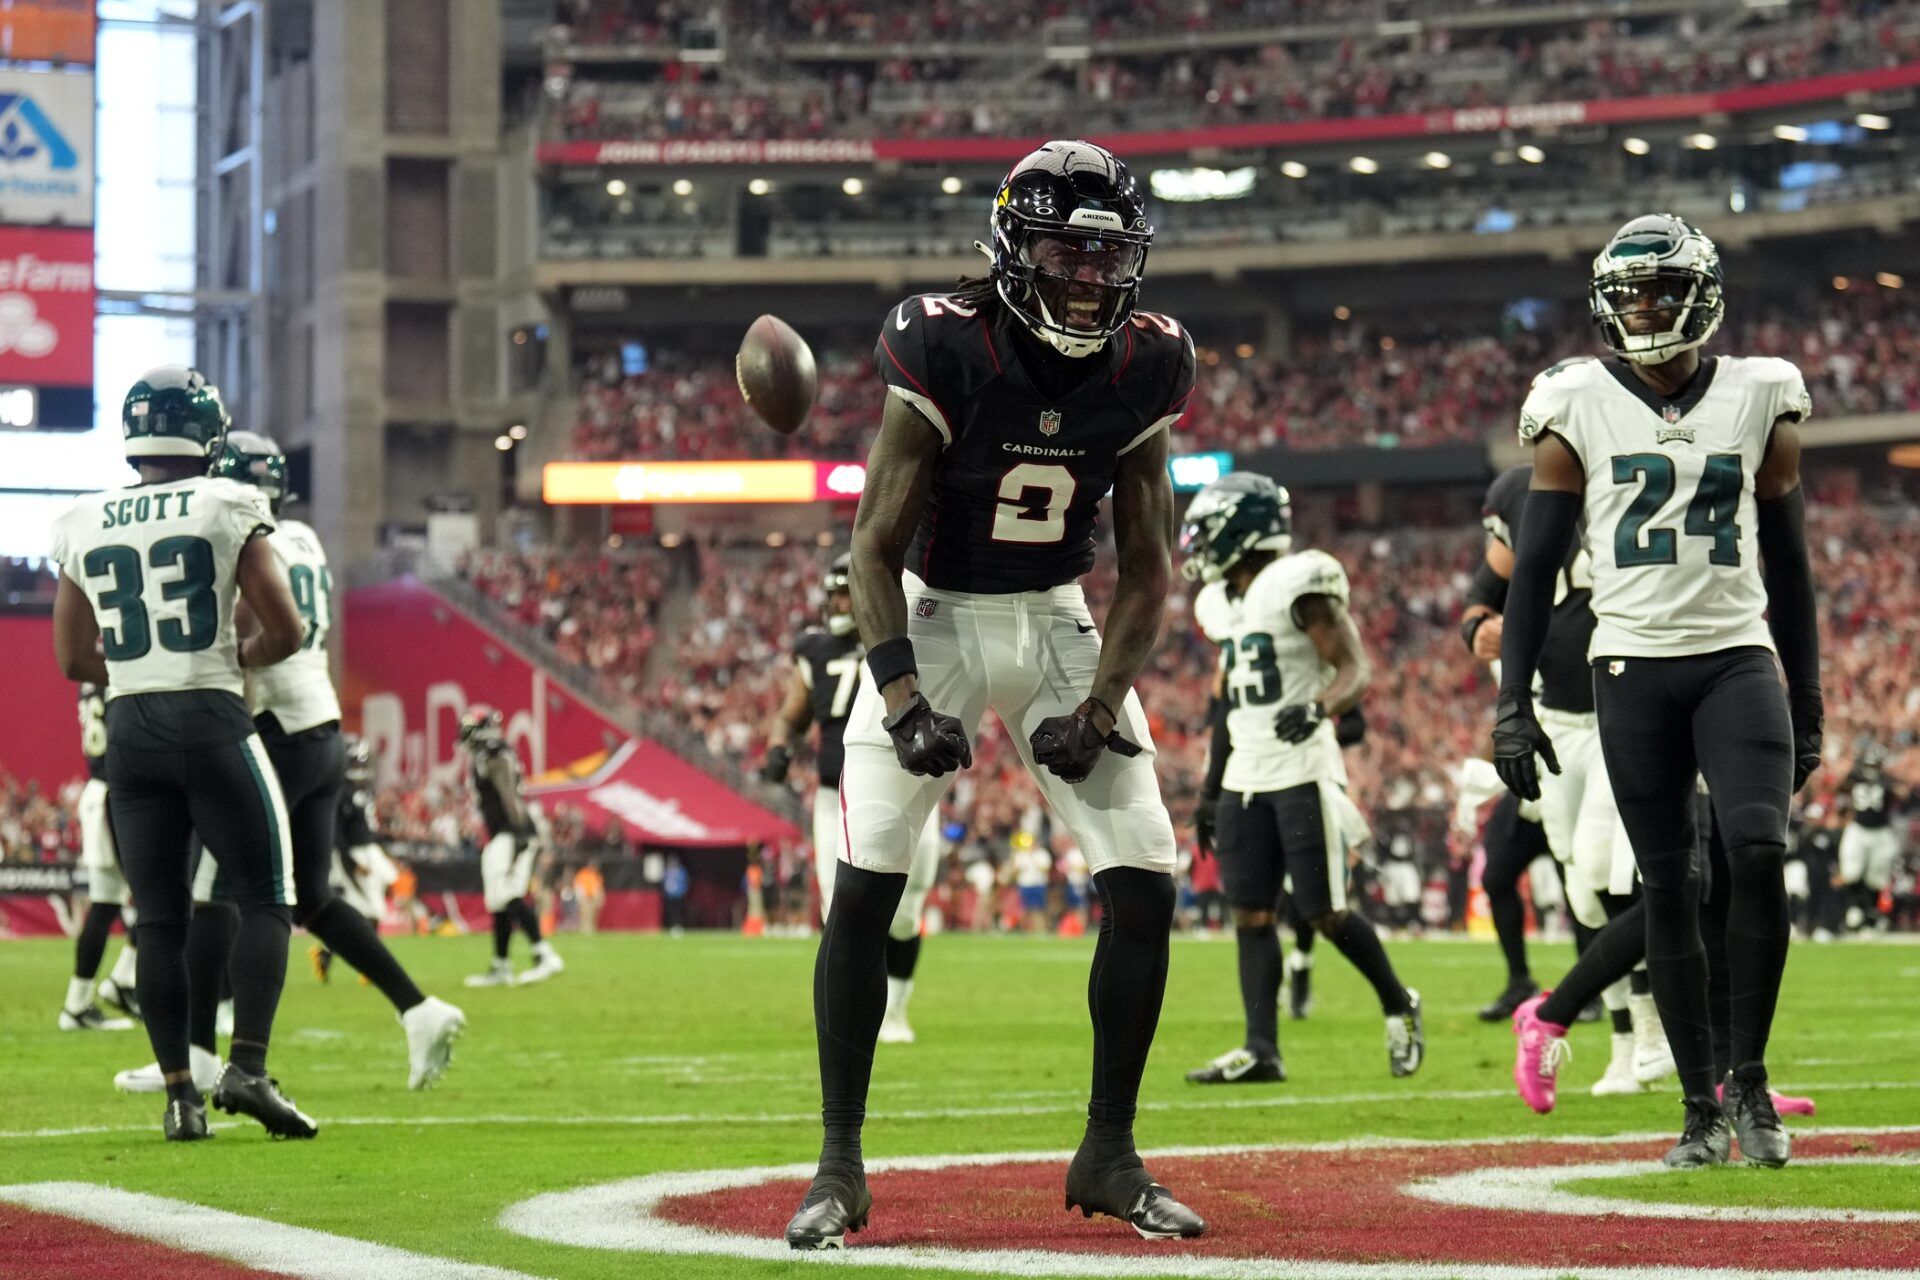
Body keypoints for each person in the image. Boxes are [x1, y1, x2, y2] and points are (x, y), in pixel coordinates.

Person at [786, 139, 1205, 1248]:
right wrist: (904, 696)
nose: (1085, 276)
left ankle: (1110, 1151)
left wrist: (1104, 706)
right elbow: (871, 547)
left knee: (1148, 867)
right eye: (1066, 250)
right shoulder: (944, 343)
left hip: (1059, 612)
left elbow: (1152, 566)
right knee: (871, 871)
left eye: (1106, 255)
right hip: (933, 608)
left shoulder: (1151, 360)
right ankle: (838, 1168)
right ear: (1016, 247)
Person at [1496, 215, 1820, 1168]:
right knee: (1667, 886)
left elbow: (1791, 567)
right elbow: (1535, 569)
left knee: (1756, 852)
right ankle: (1697, 1109)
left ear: (1702, 296)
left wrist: (1810, 695)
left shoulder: (1763, 394)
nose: (1643, 308)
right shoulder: (1577, 400)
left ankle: (1748, 1080)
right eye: (1628, 293)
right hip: (1631, 667)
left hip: (1735, 655)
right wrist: (1511, 699)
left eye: (1659, 290)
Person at [50, 366, 312, 1140]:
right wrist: (227, 665)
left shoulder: (83, 518)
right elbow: (287, 630)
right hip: (211, 715)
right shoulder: (228, 501)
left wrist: (140, 673)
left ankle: (178, 1098)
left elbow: (71, 657)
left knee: (157, 920)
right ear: (208, 432)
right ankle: (248, 1069)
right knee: (266, 895)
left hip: (131, 729)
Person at [209, 433, 465, 1088]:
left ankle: (202, 1054)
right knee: (313, 900)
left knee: (219, 888)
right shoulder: (306, 539)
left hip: (277, 726)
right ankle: (418, 1007)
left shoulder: (247, 537)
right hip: (321, 728)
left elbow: (241, 625)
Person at [1180, 474, 1423, 1087]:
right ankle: (1262, 1049)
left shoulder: (1298, 583)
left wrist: (1319, 707)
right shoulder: (1221, 603)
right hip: (1244, 774)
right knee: (1250, 916)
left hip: (1301, 769)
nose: (1200, 543)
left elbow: (1354, 669)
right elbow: (1225, 709)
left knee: (1323, 914)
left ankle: (1399, 1002)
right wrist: (1210, 793)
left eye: (1209, 529)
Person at [1466, 463, 1671, 1093]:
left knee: (1605, 869)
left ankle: (1655, 1029)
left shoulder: (1614, 495)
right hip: (1556, 724)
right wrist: (1479, 628)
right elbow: (1478, 600)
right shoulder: (1516, 495)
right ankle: (1623, 1043)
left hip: (1618, 716)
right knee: (1579, 889)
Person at [763, 552, 942, 1043]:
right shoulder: (815, 649)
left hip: (909, 785)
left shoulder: (907, 641)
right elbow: (791, 714)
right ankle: (851, 1024)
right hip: (834, 792)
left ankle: (897, 1011)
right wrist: (779, 748)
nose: (841, 602)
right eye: (836, 593)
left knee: (904, 914)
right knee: (838, 912)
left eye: (849, 592)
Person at [60, 680, 140, 1031]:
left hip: (98, 792)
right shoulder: (119, 669)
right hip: (120, 795)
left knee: (105, 905)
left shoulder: (89, 678)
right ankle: (123, 979)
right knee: (167, 895)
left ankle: (76, 1005)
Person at [462, 710, 564, 986]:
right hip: (505, 833)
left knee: (508, 894)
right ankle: (501, 965)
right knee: (498, 900)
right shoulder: (489, 753)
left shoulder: (492, 753)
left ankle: (544, 954)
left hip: (512, 833)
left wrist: (518, 834)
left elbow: (508, 794)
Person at [1836, 745, 1902, 932]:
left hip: (1880, 831)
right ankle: (1857, 907)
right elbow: (1839, 789)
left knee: (1877, 877)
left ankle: (1871, 913)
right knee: (1851, 871)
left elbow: (1900, 793)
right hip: (1859, 828)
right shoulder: (1859, 778)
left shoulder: (1882, 781)